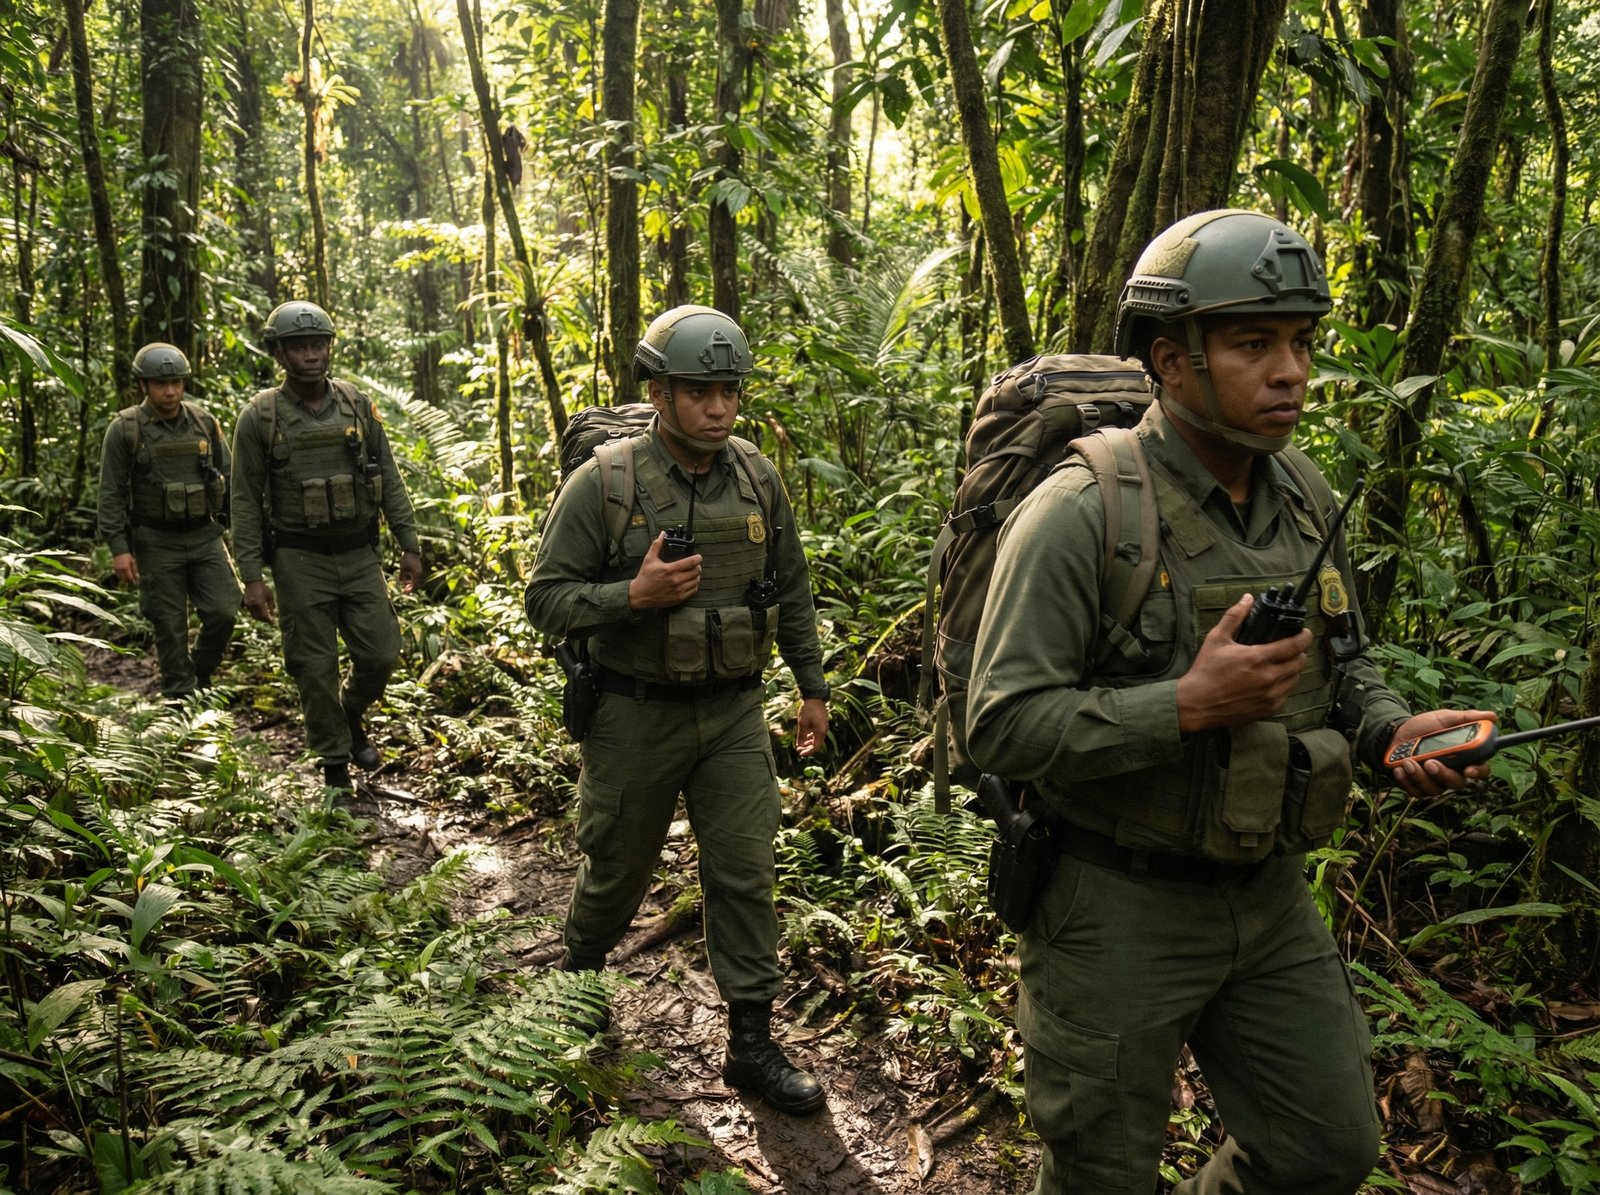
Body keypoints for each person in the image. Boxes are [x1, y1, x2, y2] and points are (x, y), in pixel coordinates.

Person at [966, 209, 1495, 1193]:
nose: (1291, 371)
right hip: (1111, 903)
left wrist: (1391, 732)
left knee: (1324, 1148)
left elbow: (1344, 661)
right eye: (1255, 344)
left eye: (1300, 341)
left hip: (1267, 894)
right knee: (1099, 1173)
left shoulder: (1300, 494)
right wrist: (1186, 703)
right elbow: (999, 723)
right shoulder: (1082, 511)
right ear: (1172, 361)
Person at [524, 305, 832, 1116]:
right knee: (617, 869)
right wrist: (633, 595)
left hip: (732, 711)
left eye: (729, 391)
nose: (719, 408)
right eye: (699, 391)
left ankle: (751, 1041)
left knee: (745, 871)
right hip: (635, 713)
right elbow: (544, 598)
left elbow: (791, 583)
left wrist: (812, 685)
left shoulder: (758, 477)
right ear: (659, 393)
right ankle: (580, 981)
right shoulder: (606, 483)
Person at [230, 300, 423, 793]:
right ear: (279, 354)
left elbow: (389, 476)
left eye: (318, 345)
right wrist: (250, 576)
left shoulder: (356, 405)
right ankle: (335, 768)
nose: (311, 355)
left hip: (358, 553)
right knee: (314, 669)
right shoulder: (260, 417)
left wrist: (409, 542)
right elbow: (245, 500)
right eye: (299, 347)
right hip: (298, 559)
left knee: (381, 653)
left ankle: (350, 712)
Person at [97, 342, 241, 699]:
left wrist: (238, 529)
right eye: (161, 383)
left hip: (205, 534)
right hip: (156, 539)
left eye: (176, 382)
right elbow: (111, 492)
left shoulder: (204, 422)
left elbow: (230, 476)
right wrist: (119, 548)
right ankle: (179, 697)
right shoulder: (126, 429)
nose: (170, 391)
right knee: (169, 623)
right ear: (143, 384)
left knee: (224, 610)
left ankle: (200, 671)